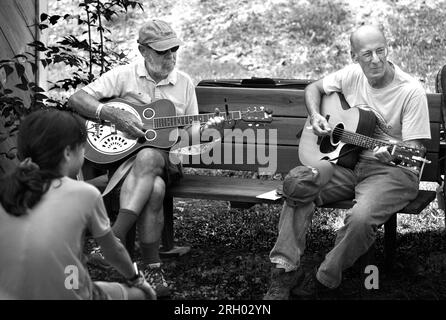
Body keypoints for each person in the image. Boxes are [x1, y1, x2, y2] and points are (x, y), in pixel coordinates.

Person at [263, 25, 431, 300]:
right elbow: (314, 88)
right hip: (348, 163)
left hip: (394, 170)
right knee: (298, 187)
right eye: (367, 54)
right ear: (354, 56)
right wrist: (316, 115)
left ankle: (323, 280)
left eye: (381, 51)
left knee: (361, 218)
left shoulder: (409, 91)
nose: (376, 60)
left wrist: (393, 153)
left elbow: (415, 149)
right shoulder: (351, 75)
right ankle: (284, 271)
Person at [68, 19, 224, 298]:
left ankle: (112, 238)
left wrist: (207, 132)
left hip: (167, 159)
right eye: (162, 51)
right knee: (155, 189)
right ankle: (152, 268)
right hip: (124, 161)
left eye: (173, 49)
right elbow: (77, 99)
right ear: (143, 50)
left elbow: (191, 131)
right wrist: (113, 115)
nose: (170, 57)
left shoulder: (184, 83)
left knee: (151, 154)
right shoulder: (123, 76)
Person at [0, 109, 156, 300]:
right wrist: (136, 279)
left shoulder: (7, 190)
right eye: (82, 148)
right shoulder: (84, 194)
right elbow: (114, 251)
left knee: (72, 272)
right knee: (141, 295)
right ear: (67, 152)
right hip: (67, 291)